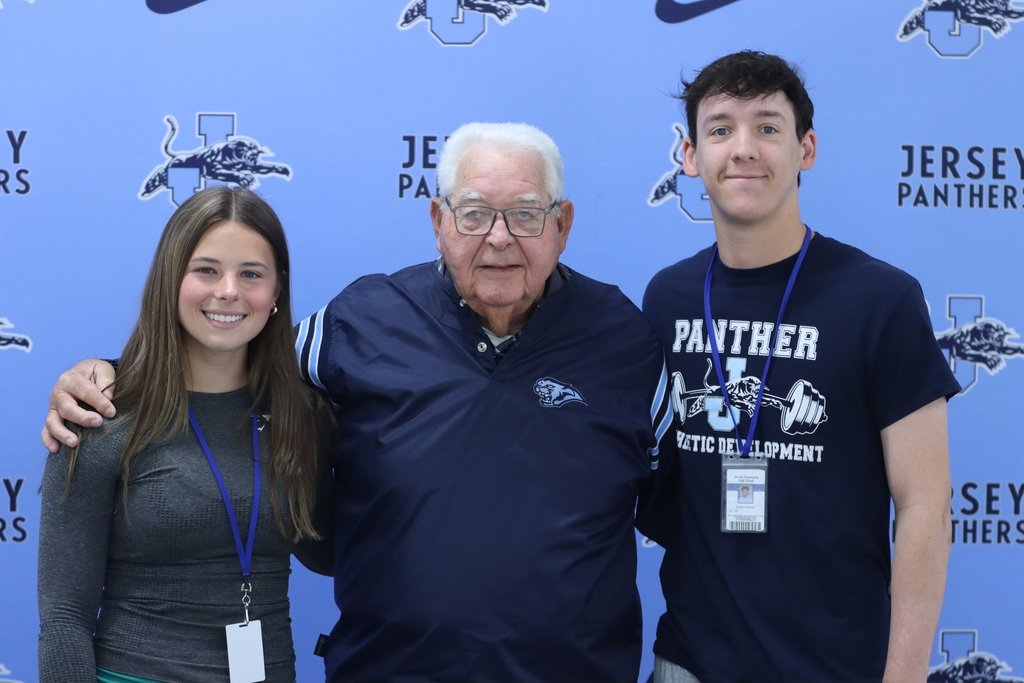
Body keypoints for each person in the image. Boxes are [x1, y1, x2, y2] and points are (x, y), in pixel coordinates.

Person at [42, 123, 673, 683]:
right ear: (438, 222)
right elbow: (227, 352)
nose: (500, 238)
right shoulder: (357, 321)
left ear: (562, 223)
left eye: (527, 213)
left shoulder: (629, 341)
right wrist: (110, 376)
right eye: (474, 213)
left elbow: (676, 505)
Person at [639, 51, 960, 683]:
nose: (743, 149)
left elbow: (925, 500)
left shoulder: (880, 299)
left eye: (767, 127)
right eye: (720, 128)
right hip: (690, 662)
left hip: (838, 664)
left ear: (806, 149)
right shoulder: (668, 298)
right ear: (690, 156)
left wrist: (904, 673)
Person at [37, 187, 331, 683]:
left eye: (252, 274)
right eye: (207, 270)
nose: (229, 291)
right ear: (171, 280)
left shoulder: (305, 415)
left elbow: (330, 551)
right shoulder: (99, 413)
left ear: (277, 292)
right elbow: (64, 618)